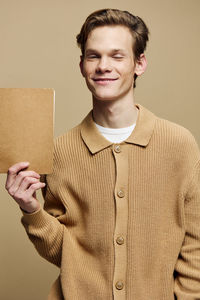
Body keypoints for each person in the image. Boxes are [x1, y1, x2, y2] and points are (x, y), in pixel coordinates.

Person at [5, 8, 200, 300]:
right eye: (93, 56)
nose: (103, 66)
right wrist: (32, 210)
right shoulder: (59, 151)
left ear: (140, 63)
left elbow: (194, 245)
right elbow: (69, 255)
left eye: (117, 56)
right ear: (82, 65)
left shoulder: (179, 144)